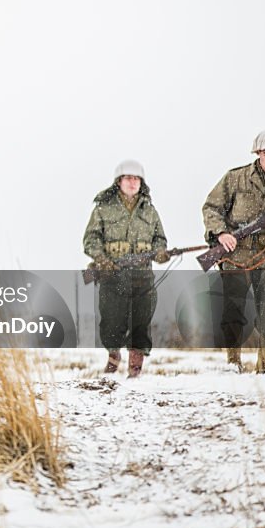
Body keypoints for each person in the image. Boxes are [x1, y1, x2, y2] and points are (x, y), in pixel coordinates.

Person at [202, 129, 265, 374]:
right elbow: (211, 208)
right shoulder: (235, 178)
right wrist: (221, 233)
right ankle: (233, 364)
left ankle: (264, 367)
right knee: (233, 311)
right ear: (258, 153)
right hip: (235, 254)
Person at [83, 159, 169, 378]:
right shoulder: (104, 208)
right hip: (113, 274)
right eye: (128, 178)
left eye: (136, 179)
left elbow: (160, 238)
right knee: (112, 319)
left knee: (141, 320)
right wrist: (102, 260)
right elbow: (91, 239)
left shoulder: (149, 211)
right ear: (119, 181)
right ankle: (113, 357)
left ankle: (136, 366)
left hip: (142, 275)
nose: (132, 183)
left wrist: (160, 252)